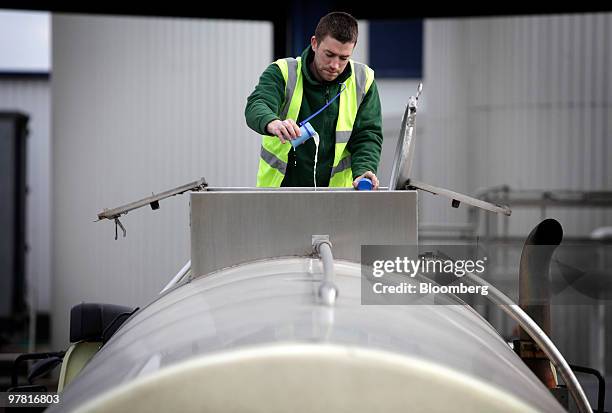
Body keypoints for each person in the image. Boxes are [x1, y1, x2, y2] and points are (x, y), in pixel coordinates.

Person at [245, 11, 383, 189]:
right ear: (314, 43)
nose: (335, 65)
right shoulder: (283, 72)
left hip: (336, 197)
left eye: (343, 58)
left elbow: (367, 135)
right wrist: (273, 122)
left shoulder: (363, 81)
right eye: (329, 54)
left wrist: (364, 169)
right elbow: (257, 104)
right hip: (279, 193)